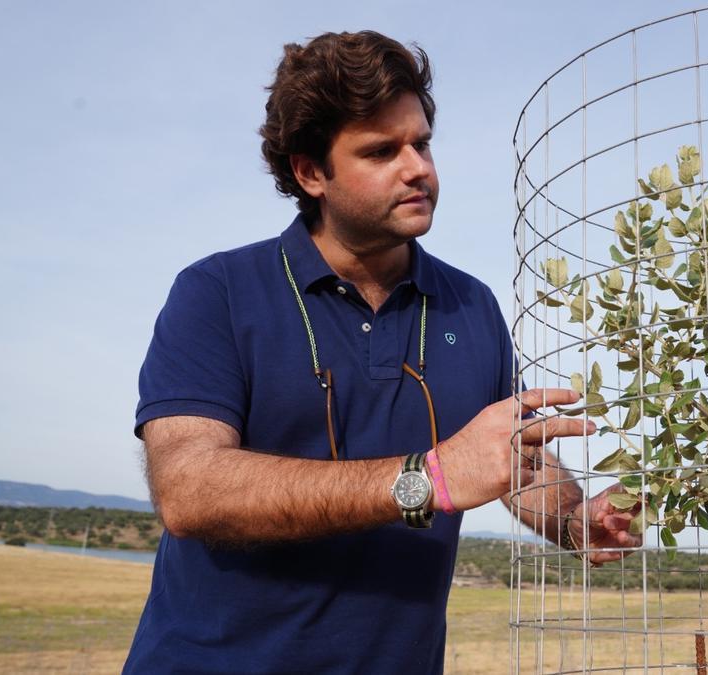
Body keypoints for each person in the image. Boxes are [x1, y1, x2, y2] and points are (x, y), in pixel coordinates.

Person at [124, 30, 640, 673]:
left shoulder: (470, 305)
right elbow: (189, 490)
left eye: (421, 143)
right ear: (311, 172)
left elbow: (507, 462)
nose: (418, 168)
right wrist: (431, 479)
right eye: (380, 151)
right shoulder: (218, 292)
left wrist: (570, 517)